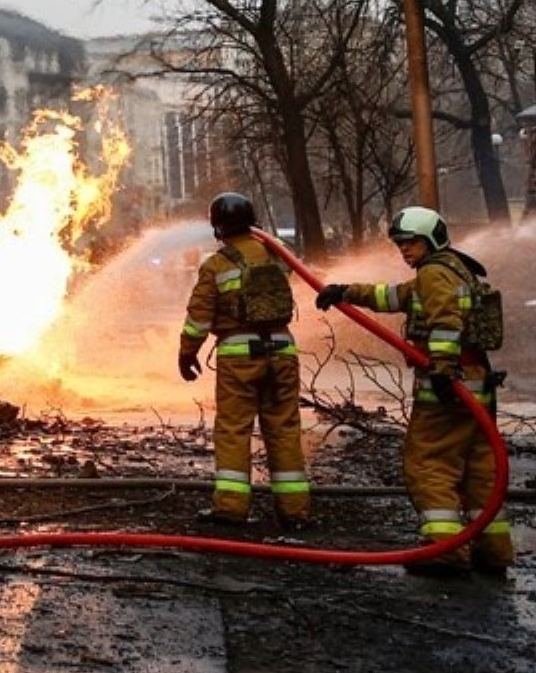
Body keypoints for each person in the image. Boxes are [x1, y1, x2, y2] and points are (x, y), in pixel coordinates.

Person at [315, 206, 513, 577]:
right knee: (479, 469)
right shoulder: (453, 270)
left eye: (411, 243)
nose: (404, 250)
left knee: (430, 463)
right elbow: (391, 296)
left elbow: (445, 322)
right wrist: (345, 292)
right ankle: (494, 550)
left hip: (449, 386)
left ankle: (445, 552)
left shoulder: (435, 274)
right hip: (476, 382)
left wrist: (440, 367)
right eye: (401, 244)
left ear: (431, 240)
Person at [178, 192, 311, 529]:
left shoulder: (217, 265)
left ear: (217, 227)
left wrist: (187, 352)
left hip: (239, 358)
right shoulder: (276, 256)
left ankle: (232, 507)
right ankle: (294, 511)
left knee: (234, 430)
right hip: (282, 352)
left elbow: (199, 319)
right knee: (284, 429)